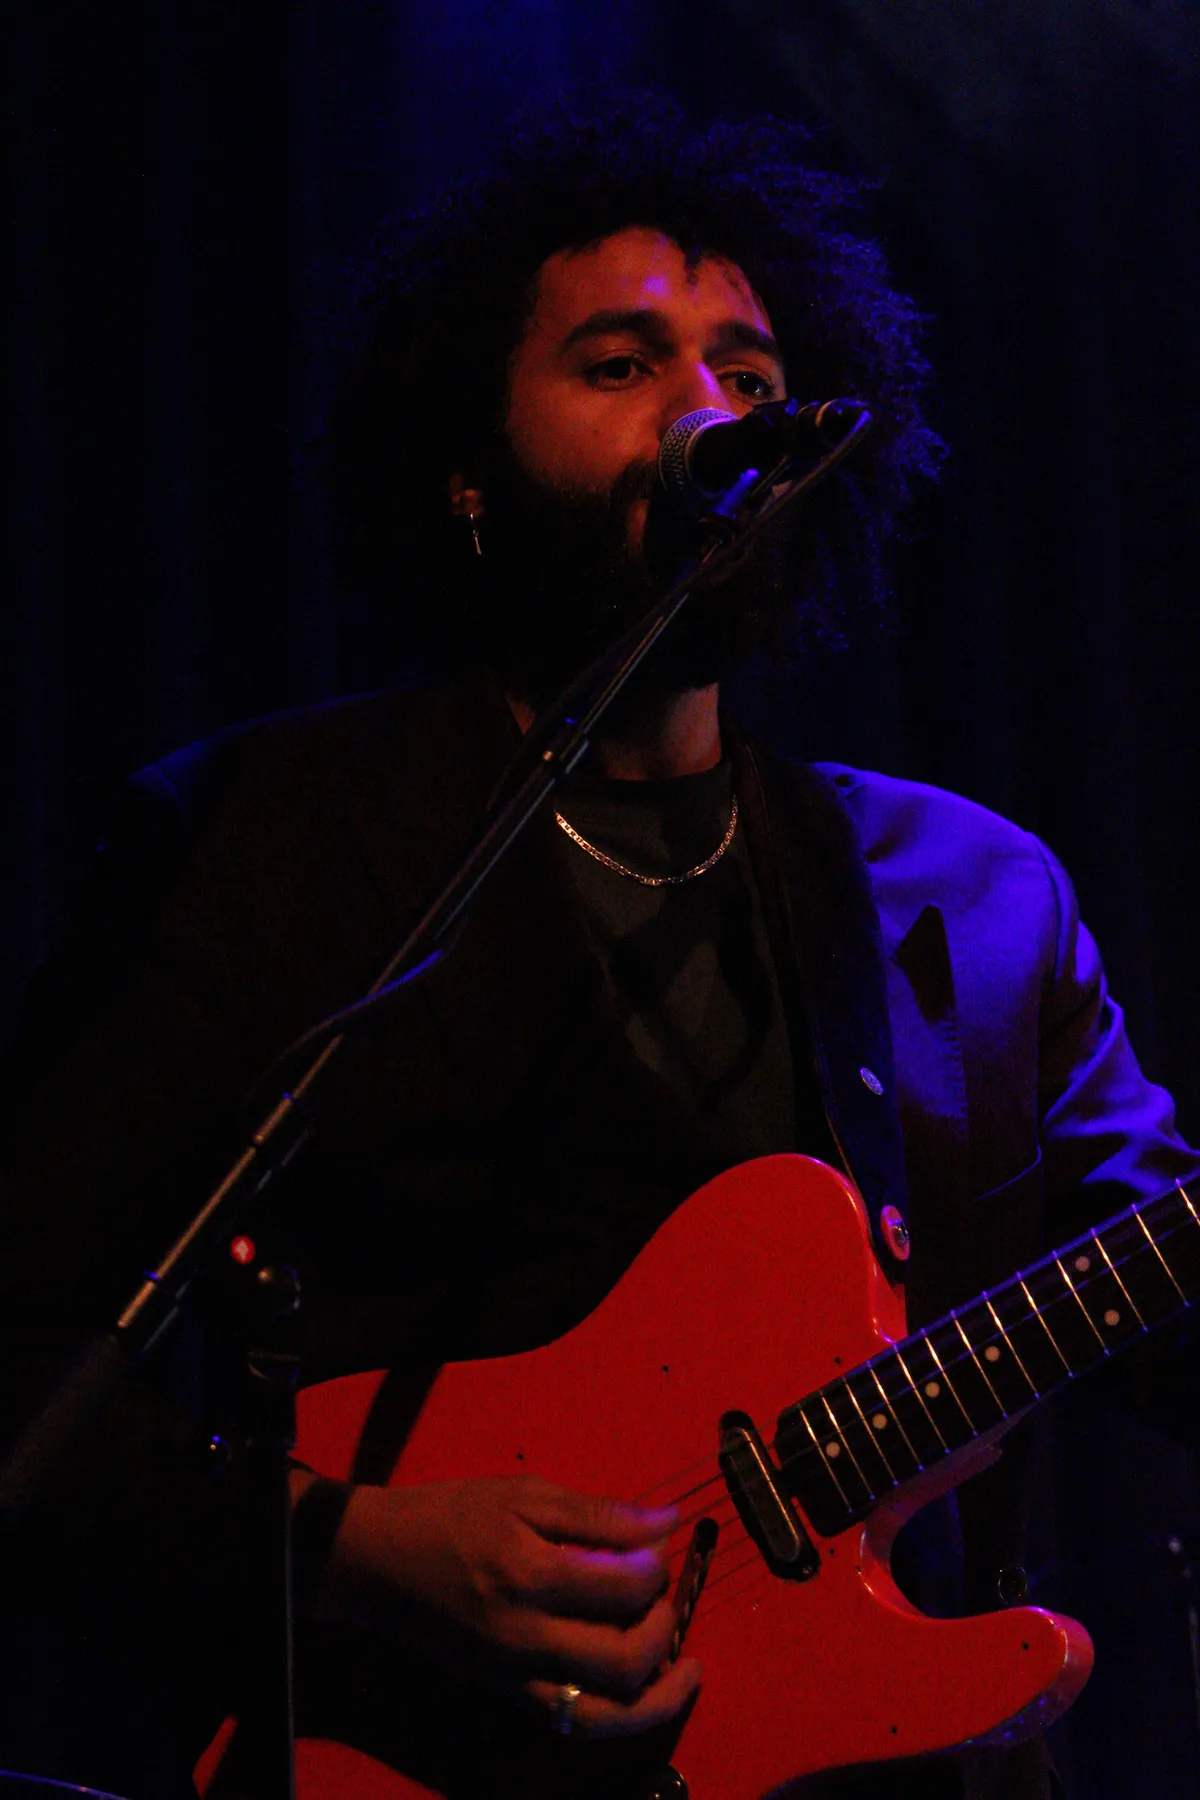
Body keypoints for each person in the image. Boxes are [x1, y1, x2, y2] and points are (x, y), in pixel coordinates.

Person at [0, 96, 1195, 1800]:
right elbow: (22, 1371)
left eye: (753, 378)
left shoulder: (974, 898)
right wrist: (362, 1552)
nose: (710, 414)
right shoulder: (261, 842)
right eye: (623, 364)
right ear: (467, 468)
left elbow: (1164, 1303)